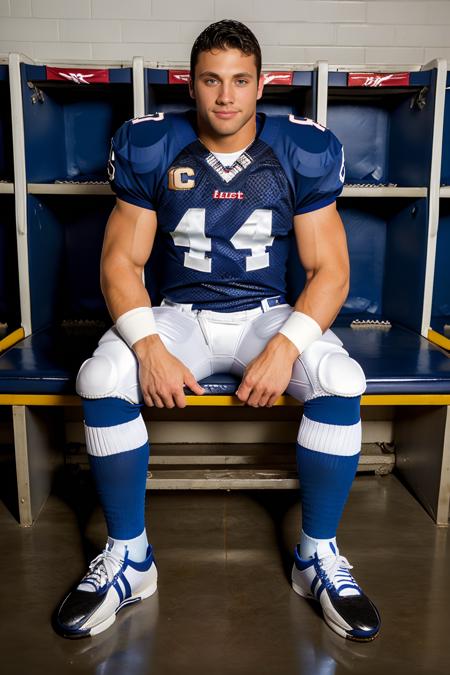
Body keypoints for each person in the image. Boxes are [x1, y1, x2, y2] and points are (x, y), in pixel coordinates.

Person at [55, 19, 380, 642]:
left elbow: (330, 272)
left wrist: (285, 348)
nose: (225, 96)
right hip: (180, 317)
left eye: (239, 81)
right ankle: (130, 559)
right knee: (101, 377)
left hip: (267, 315)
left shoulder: (301, 150)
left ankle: (317, 556)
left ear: (261, 86)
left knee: (341, 377)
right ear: (192, 84)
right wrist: (148, 348)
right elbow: (119, 263)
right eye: (211, 81)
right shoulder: (153, 143)